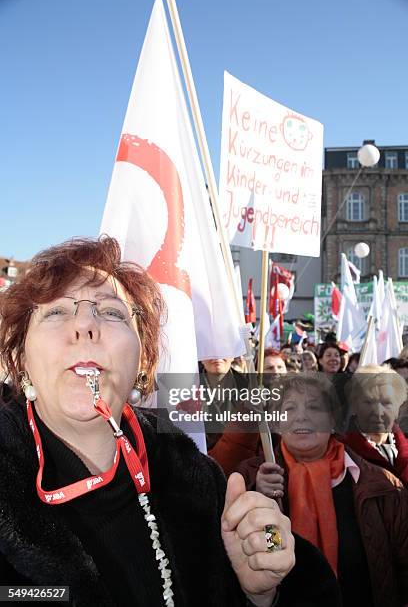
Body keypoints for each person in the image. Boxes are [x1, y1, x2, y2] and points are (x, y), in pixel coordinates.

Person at [0, 236, 303, 607]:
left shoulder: (194, 476)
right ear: (20, 357)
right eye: (56, 312)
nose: (84, 325)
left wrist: (259, 593)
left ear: (144, 360)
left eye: (111, 312)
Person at [236, 374, 408, 607]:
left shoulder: (381, 484)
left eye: (314, 407)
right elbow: (265, 556)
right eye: (289, 409)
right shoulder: (250, 479)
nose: (301, 417)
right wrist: (264, 502)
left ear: (333, 420)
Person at [342, 364, 408, 486]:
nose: (378, 412)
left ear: (398, 408)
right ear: (355, 405)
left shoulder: (405, 446)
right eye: (368, 402)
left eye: (386, 403)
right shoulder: (340, 452)